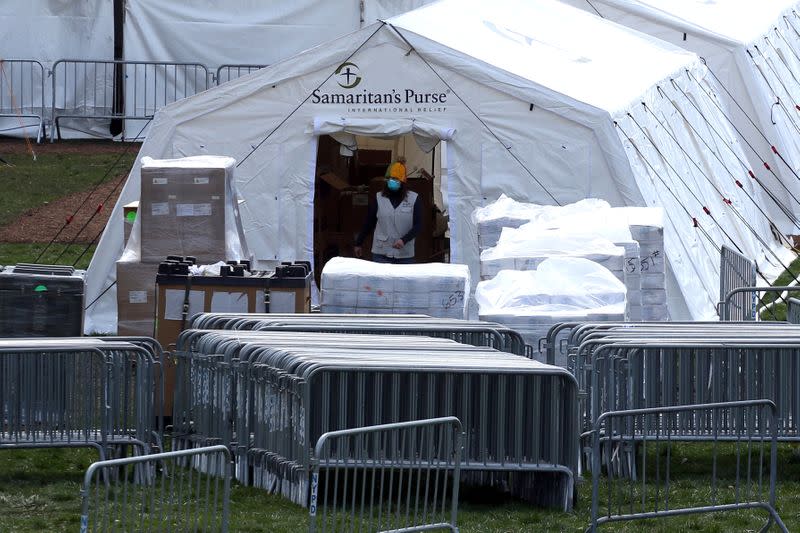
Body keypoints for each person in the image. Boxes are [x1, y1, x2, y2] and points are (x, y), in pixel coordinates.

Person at [354, 157, 422, 263]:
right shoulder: (379, 198)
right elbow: (369, 222)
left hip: (404, 255)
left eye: (395, 179)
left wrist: (404, 240)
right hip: (381, 253)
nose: (391, 181)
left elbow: (418, 225)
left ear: (402, 181)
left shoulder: (414, 199)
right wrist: (359, 243)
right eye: (389, 178)